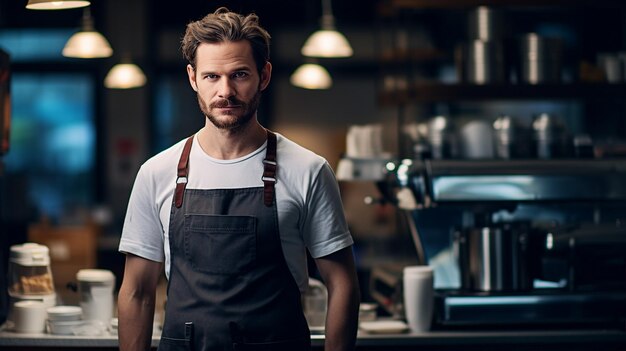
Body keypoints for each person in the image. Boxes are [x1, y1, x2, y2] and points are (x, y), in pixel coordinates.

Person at [117, 7, 360, 351]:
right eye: (212, 76)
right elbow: (136, 292)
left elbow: (343, 284)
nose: (225, 91)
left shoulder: (309, 170)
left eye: (240, 74)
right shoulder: (157, 172)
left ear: (264, 75)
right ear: (193, 78)